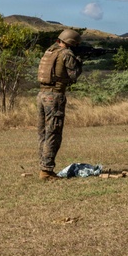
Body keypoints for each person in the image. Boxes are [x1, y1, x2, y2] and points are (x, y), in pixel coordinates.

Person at [36, 28, 84, 180]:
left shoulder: (49, 52)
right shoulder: (66, 54)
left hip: (42, 95)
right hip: (54, 96)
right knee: (53, 134)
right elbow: (73, 75)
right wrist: (80, 61)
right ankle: (46, 170)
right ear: (71, 43)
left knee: (43, 133)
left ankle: (44, 166)